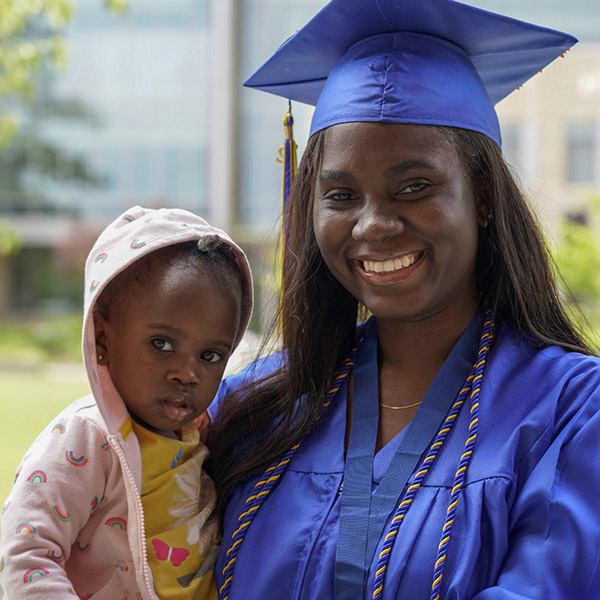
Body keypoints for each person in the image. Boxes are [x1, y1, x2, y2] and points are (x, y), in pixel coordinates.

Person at [207, 0, 600, 599]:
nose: (373, 224)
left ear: (484, 198)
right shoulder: (254, 406)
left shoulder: (572, 412)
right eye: (340, 195)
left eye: (414, 187)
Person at [0, 206, 253, 600]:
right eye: (161, 344)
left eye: (210, 355)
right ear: (103, 341)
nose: (187, 373)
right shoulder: (86, 438)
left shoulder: (200, 437)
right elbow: (23, 552)